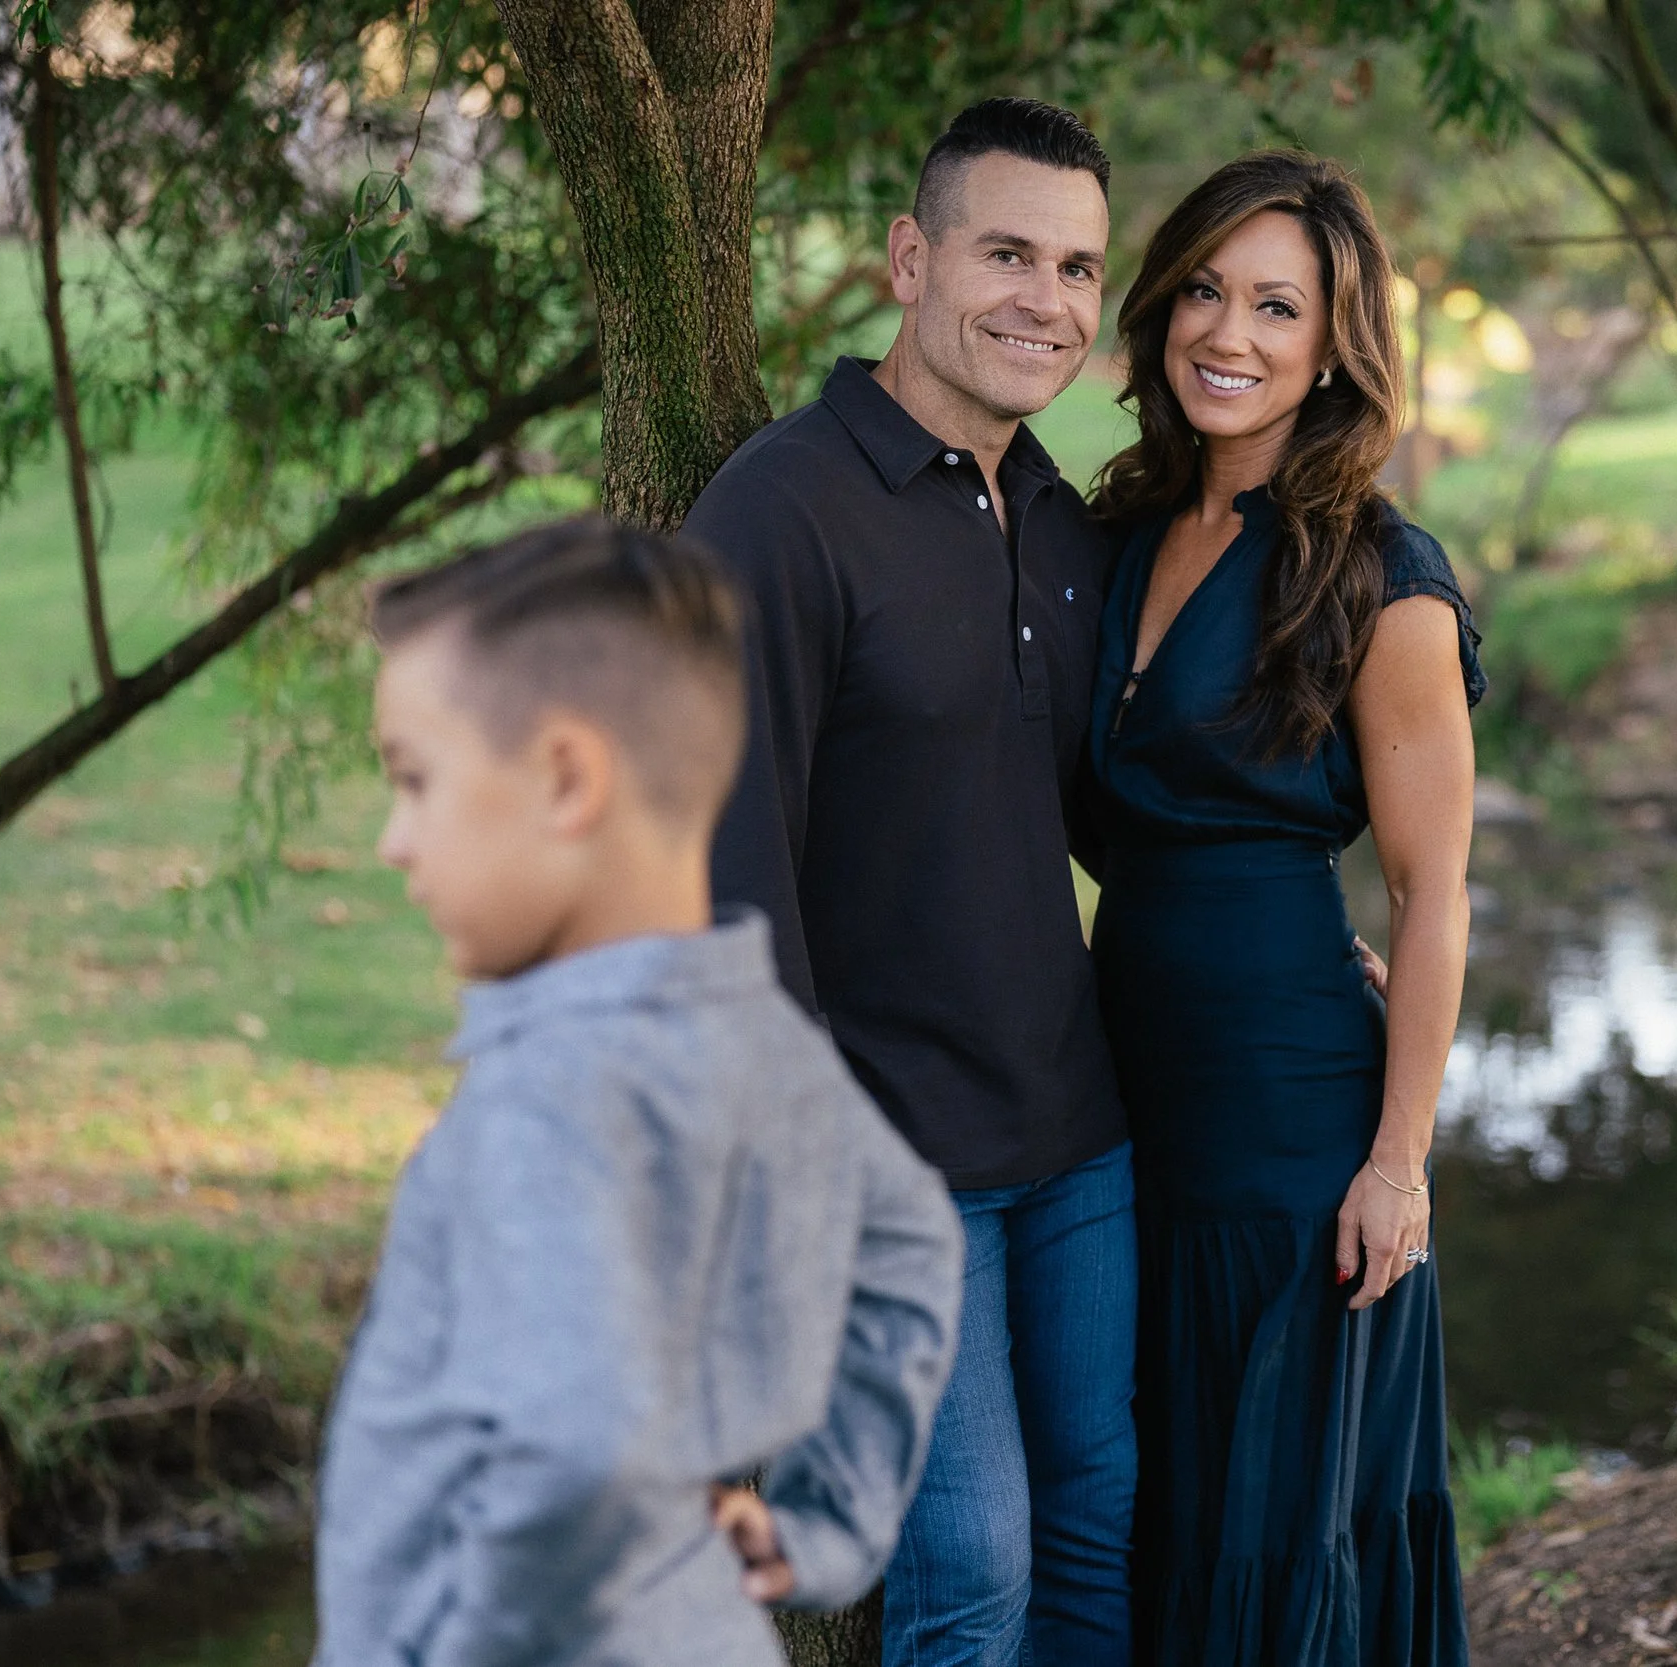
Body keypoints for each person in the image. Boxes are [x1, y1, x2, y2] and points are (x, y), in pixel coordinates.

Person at [311, 518, 965, 1667]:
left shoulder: (546, 1092)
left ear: (567, 777)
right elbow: (910, 1245)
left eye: (415, 782)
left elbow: (578, 1443)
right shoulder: (766, 1038)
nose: (392, 841)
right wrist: (822, 1524)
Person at [683, 101, 1136, 1665]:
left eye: (1077, 266)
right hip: (893, 1167)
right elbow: (722, 877)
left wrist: (1282, 939)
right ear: (911, 257)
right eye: (1007, 252)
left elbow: (1099, 815)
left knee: (1099, 1533)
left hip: (1080, 1136)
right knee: (979, 1574)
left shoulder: (1061, 525)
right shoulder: (780, 508)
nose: (1047, 300)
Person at [1084, 153, 1483, 1665]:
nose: (1228, 333)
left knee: (1278, 1539)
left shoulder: (1381, 577)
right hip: (1120, 1107)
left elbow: (1434, 887)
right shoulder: (1121, 531)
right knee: (1158, 1511)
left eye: (1275, 305)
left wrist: (1400, 1157)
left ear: (1332, 346)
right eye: (1203, 288)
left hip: (1294, 1129)